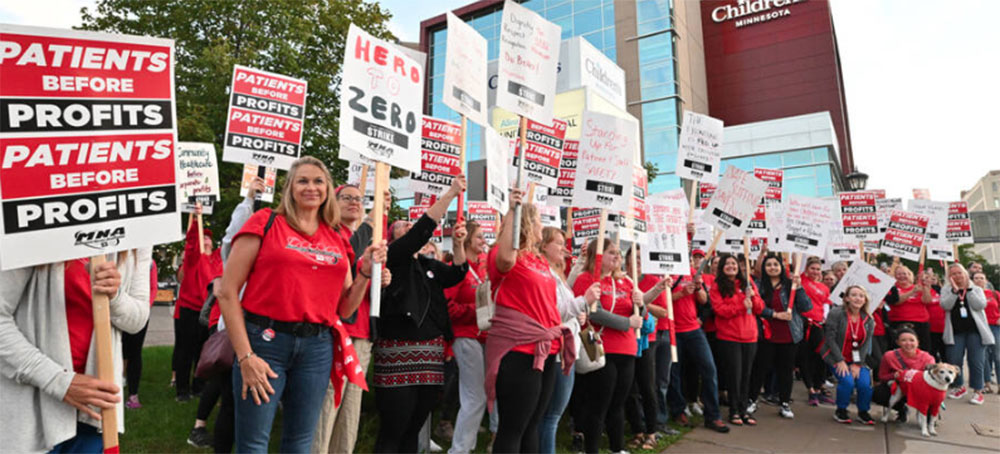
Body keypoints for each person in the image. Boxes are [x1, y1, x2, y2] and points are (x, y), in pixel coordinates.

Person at [218, 156, 387, 453]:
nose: (312, 187)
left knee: (300, 443)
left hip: (316, 349)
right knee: (254, 443)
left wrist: (363, 273)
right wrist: (246, 357)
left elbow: (345, 308)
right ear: (290, 188)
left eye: (318, 181)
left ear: (327, 189)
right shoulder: (267, 221)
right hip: (265, 343)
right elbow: (228, 292)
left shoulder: (336, 235)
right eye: (303, 181)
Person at [1, 249, 151, 453]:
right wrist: (59, 382)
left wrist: (115, 296)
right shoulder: (29, 229)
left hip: (96, 409)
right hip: (32, 406)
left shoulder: (138, 235)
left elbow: (137, 320)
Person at [371, 176, 468, 453]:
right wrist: (450, 194)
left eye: (409, 224)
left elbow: (456, 274)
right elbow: (421, 233)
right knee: (394, 429)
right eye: (402, 225)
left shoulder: (427, 264)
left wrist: (459, 245)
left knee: (414, 429)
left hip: (430, 357)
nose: (409, 227)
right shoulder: (392, 256)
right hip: (398, 353)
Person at [485, 190, 574, 454]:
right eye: (537, 222)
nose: (541, 227)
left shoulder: (537, 260)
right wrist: (512, 210)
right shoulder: (506, 256)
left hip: (546, 350)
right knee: (513, 427)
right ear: (526, 224)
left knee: (532, 424)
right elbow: (504, 260)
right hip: (519, 350)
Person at [572, 239, 645, 453]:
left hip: (627, 348)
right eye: (611, 252)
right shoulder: (587, 279)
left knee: (618, 402)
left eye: (618, 254)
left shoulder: (626, 282)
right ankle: (592, 449)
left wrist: (642, 303)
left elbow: (640, 315)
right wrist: (626, 323)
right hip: (602, 347)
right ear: (598, 255)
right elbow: (594, 311)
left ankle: (617, 448)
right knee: (599, 403)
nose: (617, 257)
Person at [538, 227, 601, 454]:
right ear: (543, 245)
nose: (564, 248)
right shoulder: (543, 273)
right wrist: (583, 301)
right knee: (551, 416)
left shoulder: (555, 273)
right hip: (557, 352)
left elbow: (568, 295)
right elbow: (554, 311)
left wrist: (579, 310)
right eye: (558, 243)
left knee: (550, 415)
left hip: (565, 350)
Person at [445, 220, 497, 454]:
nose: (483, 240)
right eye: (479, 236)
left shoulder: (483, 267)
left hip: (484, 337)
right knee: (474, 396)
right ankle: (459, 449)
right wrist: (475, 312)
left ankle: (467, 446)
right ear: (466, 240)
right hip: (465, 336)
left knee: (481, 395)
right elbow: (447, 306)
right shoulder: (457, 267)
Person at [666, 251, 729, 433]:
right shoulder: (665, 274)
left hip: (693, 329)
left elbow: (703, 300)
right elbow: (659, 300)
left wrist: (699, 287)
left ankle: (713, 415)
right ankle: (678, 410)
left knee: (709, 369)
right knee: (675, 374)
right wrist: (680, 293)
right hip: (673, 330)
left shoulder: (692, 273)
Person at [748, 254, 812, 419]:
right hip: (766, 334)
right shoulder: (758, 285)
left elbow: (806, 307)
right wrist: (776, 314)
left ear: (781, 267)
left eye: (775, 264)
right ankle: (752, 399)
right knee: (760, 369)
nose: (772, 267)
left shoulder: (791, 285)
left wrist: (799, 288)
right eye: (768, 264)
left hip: (789, 335)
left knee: (785, 370)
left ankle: (784, 402)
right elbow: (757, 308)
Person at [624, 246, 673, 449]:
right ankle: (637, 430)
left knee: (647, 385)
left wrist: (641, 301)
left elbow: (663, 312)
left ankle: (652, 431)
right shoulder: (622, 280)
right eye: (632, 257)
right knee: (629, 388)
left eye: (639, 258)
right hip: (625, 337)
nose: (636, 261)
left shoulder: (652, 280)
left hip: (647, 338)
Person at [174, 205, 224, 401]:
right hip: (189, 310)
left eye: (208, 237)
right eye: (203, 236)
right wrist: (196, 218)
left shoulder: (218, 258)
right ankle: (182, 391)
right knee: (184, 352)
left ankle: (198, 387)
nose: (205, 238)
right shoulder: (194, 258)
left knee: (203, 352)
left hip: (209, 310)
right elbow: (192, 240)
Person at [710, 254, 764, 426]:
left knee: (746, 375)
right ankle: (734, 411)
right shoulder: (717, 286)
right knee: (734, 376)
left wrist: (753, 296)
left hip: (750, 336)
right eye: (727, 264)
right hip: (729, 337)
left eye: (734, 263)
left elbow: (760, 308)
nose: (731, 266)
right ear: (721, 268)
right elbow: (721, 310)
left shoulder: (748, 282)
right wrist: (741, 305)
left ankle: (743, 410)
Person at [940, 263, 995, 405]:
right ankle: (959, 386)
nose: (957, 276)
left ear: (965, 274)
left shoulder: (975, 288)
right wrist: (954, 291)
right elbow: (945, 305)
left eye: (959, 273)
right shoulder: (946, 289)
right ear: (949, 277)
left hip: (975, 331)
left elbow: (980, 305)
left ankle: (978, 390)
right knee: (954, 359)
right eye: (953, 274)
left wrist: (968, 290)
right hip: (956, 331)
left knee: (976, 361)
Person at [821, 285, 876, 425]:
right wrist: (840, 360)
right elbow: (830, 338)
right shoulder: (836, 313)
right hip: (835, 355)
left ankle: (863, 412)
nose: (858, 298)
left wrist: (857, 364)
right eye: (854, 295)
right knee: (847, 381)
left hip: (856, 358)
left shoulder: (869, 319)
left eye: (861, 296)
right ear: (846, 298)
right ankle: (841, 410)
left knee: (864, 384)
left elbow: (864, 345)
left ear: (865, 300)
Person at [872, 325, 935, 422]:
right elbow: (881, 376)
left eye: (912, 340)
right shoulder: (889, 356)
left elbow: (933, 380)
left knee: (934, 396)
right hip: (899, 388)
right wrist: (894, 375)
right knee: (877, 393)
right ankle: (901, 409)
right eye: (904, 340)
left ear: (917, 342)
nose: (908, 343)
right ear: (897, 342)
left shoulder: (927, 359)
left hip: (919, 390)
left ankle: (929, 416)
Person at [123, 261, 159, 409]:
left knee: (134, 353)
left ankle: (133, 395)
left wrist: (144, 308)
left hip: (139, 314)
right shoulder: (118, 256)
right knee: (117, 351)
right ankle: (116, 385)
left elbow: (153, 287)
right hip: (117, 311)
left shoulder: (149, 263)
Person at [799, 257, 833, 406]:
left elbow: (826, 303)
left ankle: (819, 389)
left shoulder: (824, 287)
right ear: (806, 269)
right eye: (812, 268)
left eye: (818, 269)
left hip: (819, 325)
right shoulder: (801, 281)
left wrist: (825, 317)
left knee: (821, 357)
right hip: (804, 324)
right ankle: (811, 390)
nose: (815, 271)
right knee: (805, 358)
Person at [885, 266, 935, 351]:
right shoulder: (892, 288)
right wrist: (911, 292)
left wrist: (926, 288)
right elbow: (896, 301)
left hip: (921, 323)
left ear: (910, 275)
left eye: (904, 273)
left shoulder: (917, 287)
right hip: (899, 323)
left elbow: (927, 301)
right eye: (899, 274)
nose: (902, 276)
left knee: (923, 350)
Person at [973, 271, 1000, 392]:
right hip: (979, 327)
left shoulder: (994, 294)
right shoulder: (971, 294)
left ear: (986, 281)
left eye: (981, 278)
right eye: (976, 278)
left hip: (994, 326)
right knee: (983, 357)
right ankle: (987, 383)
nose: (979, 280)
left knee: (997, 356)